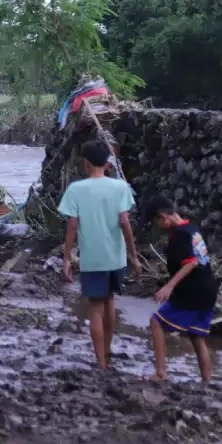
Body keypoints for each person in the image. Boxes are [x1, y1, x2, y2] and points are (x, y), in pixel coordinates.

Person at [58, 139, 141, 369]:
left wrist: (67, 258)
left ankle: (101, 361)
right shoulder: (120, 187)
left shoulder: (76, 189)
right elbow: (124, 222)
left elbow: (72, 226)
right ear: (107, 163)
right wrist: (133, 256)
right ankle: (107, 349)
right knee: (110, 300)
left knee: (95, 308)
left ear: (85, 163)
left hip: (92, 259)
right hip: (116, 257)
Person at [141, 194, 218, 382]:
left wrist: (169, 286)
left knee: (156, 322)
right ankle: (208, 380)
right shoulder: (191, 229)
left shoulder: (179, 235)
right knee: (197, 336)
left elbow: (191, 263)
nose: (158, 227)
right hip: (209, 289)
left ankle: (160, 373)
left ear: (163, 217)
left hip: (193, 291)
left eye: (156, 223)